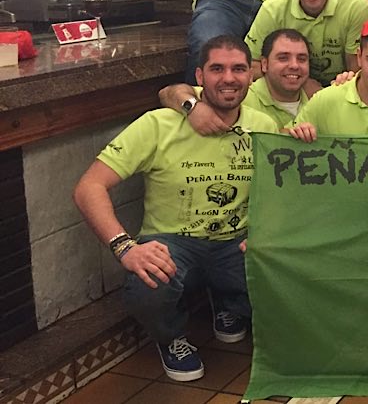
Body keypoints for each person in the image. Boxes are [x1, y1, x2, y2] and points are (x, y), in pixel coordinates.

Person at [73, 36, 278, 382]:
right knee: (148, 283)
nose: (229, 78)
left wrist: (266, 234)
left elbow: (274, 194)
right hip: (173, 243)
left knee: (283, 269)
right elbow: (88, 187)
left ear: (251, 75)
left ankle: (228, 303)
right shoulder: (158, 124)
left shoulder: (264, 126)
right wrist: (125, 248)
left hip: (235, 242)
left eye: (238, 69)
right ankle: (170, 337)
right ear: (199, 76)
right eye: (217, 69)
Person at [160, 29, 311, 130]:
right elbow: (168, 93)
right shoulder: (238, 93)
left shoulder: (315, 101)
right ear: (264, 64)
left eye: (302, 59)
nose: (294, 65)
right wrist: (193, 108)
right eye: (283, 58)